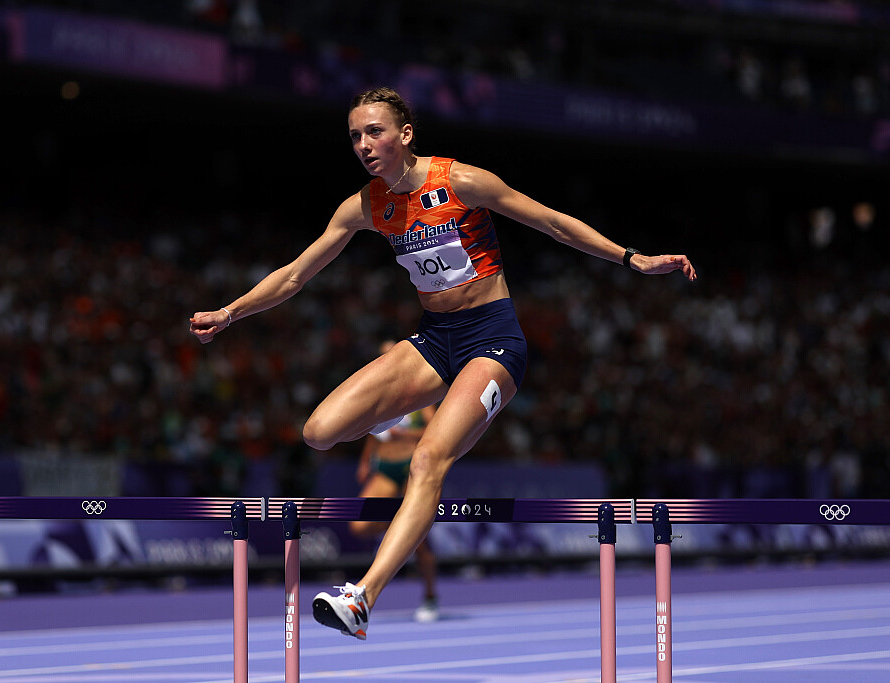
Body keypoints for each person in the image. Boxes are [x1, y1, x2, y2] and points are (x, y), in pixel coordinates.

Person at [190, 86, 697, 640]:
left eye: (375, 131)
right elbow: (294, 275)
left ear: (405, 134)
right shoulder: (366, 206)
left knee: (427, 458)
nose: (363, 144)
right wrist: (230, 312)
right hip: (435, 341)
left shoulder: (460, 180)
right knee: (318, 432)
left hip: (493, 341)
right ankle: (389, 415)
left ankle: (362, 598)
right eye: (355, 136)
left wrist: (631, 258)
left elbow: (551, 221)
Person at [351, 341, 439, 623]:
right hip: (386, 468)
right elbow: (373, 432)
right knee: (359, 524)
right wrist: (365, 460)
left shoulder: (422, 393)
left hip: (412, 469)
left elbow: (436, 429)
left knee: (420, 545)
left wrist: (404, 436)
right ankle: (399, 526)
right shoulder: (379, 393)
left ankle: (430, 595)